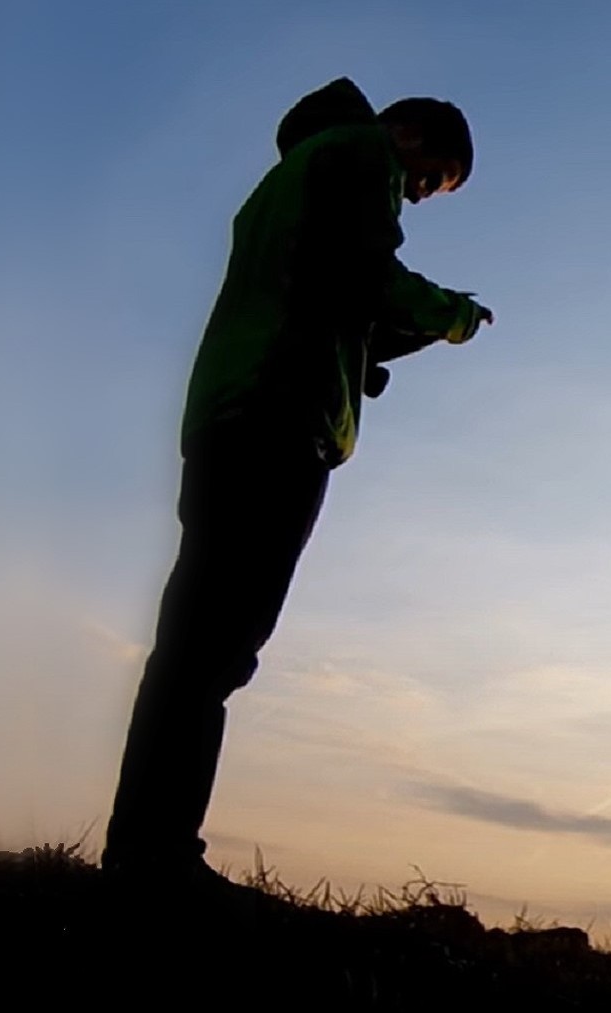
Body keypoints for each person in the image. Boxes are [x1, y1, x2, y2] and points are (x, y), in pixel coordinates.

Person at [102, 78, 494, 886]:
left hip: (232, 408)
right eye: (431, 180)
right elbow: (366, 278)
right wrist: (451, 316)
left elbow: (327, 292)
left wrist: (381, 346)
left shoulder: (296, 174)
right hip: (281, 418)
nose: (418, 198)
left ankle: (142, 846)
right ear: (411, 137)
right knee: (215, 648)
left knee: (193, 641)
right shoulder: (360, 155)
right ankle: (155, 856)